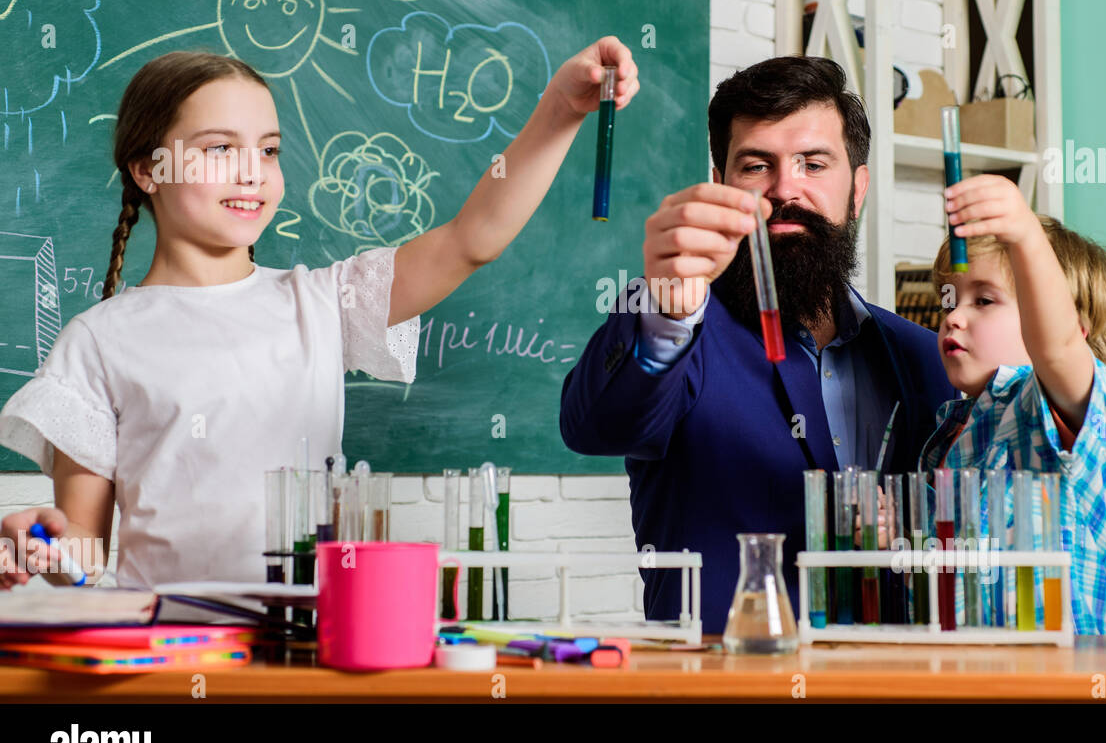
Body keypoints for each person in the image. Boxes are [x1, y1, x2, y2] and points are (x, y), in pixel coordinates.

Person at [0, 38, 640, 591]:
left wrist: (561, 109)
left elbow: (473, 239)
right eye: (221, 148)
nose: (254, 173)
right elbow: (81, 555)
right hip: (172, 651)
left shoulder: (324, 301)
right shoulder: (99, 341)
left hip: (309, 639)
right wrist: (46, 544)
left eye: (270, 150)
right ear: (147, 170)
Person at [560, 57, 956, 633]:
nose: (785, 188)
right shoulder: (681, 325)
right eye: (756, 165)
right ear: (721, 184)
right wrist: (667, 307)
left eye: (813, 163)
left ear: (858, 188)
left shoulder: (927, 359)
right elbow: (596, 426)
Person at [924, 173, 1106, 634]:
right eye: (951, 301)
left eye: (984, 300)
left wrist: (1024, 235)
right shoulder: (953, 431)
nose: (954, 316)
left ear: (1076, 327)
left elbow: (1053, 346)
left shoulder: (1064, 407)